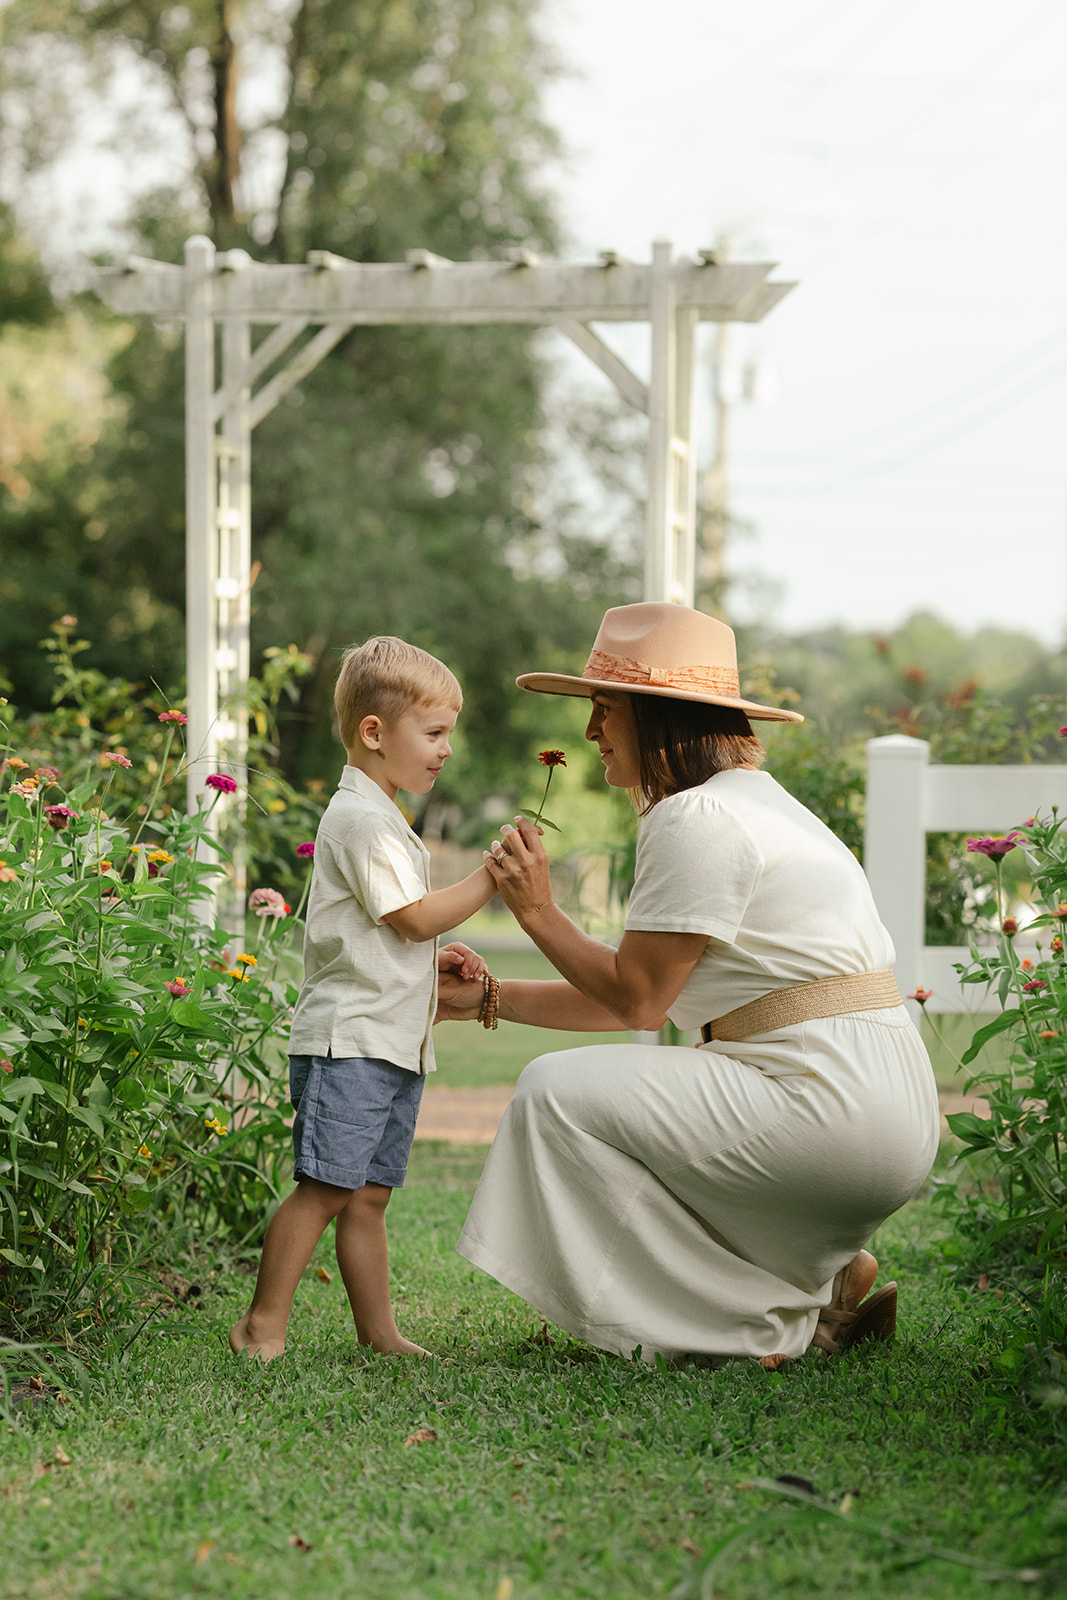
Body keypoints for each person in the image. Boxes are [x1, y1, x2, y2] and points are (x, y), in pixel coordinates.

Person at [436, 603, 940, 1367]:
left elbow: (636, 1000)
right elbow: (642, 1000)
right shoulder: (764, 804)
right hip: (885, 1111)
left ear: (656, 716)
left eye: (604, 710)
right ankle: (824, 1278)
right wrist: (484, 999)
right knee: (603, 1092)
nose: (588, 733)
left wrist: (537, 911)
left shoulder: (694, 817)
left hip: (828, 1108)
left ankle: (767, 1322)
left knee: (550, 1097)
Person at [230, 636, 494, 1362]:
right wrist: (490, 879)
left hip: (388, 1041)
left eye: (449, 734)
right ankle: (261, 1325)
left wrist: (440, 962)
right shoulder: (362, 821)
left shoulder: (386, 822)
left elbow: (394, 935)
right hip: (350, 1042)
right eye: (434, 733)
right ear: (374, 733)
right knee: (323, 1189)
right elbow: (409, 918)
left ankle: (378, 1334)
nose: (445, 750)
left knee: (368, 1197)